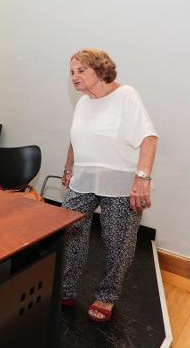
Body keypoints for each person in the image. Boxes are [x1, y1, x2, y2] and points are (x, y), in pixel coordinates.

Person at [60, 49, 158, 322]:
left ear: (100, 70)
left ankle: (106, 296)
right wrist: (69, 168)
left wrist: (142, 179)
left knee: (118, 243)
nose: (74, 77)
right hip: (84, 178)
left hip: (120, 181)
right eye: (71, 72)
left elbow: (149, 138)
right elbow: (75, 139)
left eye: (81, 71)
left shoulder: (126, 96)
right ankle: (66, 288)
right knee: (69, 231)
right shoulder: (82, 102)